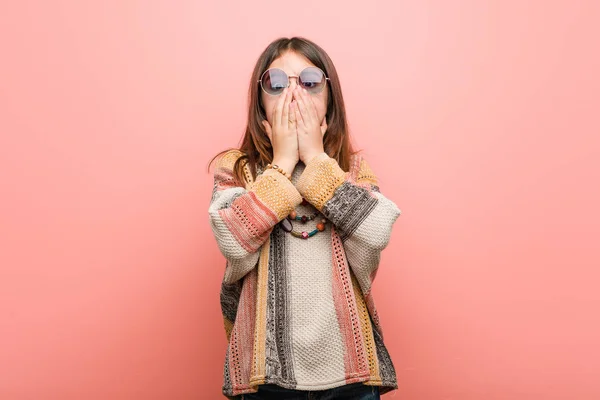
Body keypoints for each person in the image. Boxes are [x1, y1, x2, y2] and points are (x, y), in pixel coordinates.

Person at [208, 36, 402, 399]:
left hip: (350, 372)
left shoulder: (353, 170)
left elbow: (377, 231)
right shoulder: (237, 169)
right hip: (265, 376)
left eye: (309, 82)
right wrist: (282, 162)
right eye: (277, 83)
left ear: (330, 100)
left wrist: (314, 158)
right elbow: (235, 242)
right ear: (259, 103)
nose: (293, 94)